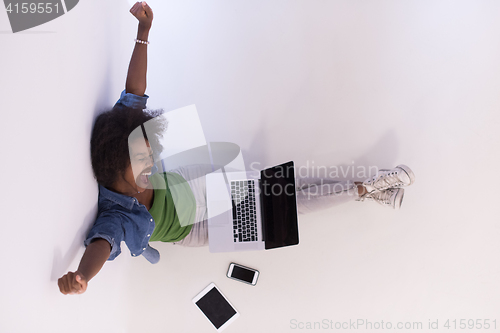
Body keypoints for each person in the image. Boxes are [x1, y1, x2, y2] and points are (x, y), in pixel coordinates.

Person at [58, 2, 416, 295]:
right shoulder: (115, 216)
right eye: (141, 162)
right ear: (115, 172)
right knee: (287, 211)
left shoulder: (125, 134)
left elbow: (133, 92)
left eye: (149, 152)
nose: (151, 161)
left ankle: (371, 187)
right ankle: (365, 189)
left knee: (286, 182)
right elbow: (101, 245)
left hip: (198, 188)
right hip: (196, 229)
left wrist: (143, 33)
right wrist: (83, 276)